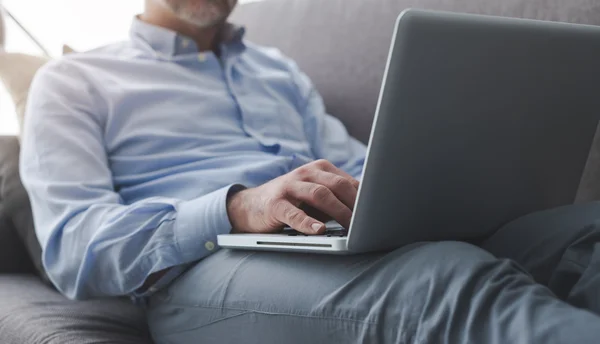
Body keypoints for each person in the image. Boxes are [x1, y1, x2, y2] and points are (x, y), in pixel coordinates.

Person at [19, 0, 600, 343]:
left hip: (335, 237)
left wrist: (456, 163)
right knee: (441, 280)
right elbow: (74, 249)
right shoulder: (73, 82)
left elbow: (354, 163)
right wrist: (237, 207)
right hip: (201, 271)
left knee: (583, 235)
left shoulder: (279, 71)